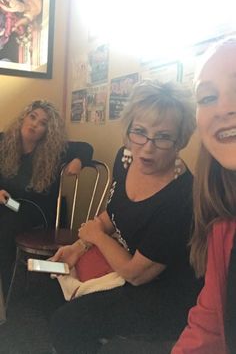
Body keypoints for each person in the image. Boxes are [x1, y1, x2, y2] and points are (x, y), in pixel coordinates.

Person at [50, 80, 202, 354]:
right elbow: (114, 212)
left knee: (68, 323)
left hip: (165, 296)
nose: (147, 147)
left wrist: (94, 235)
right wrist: (79, 246)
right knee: (53, 293)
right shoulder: (125, 158)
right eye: (140, 132)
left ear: (181, 139)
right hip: (129, 270)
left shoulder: (181, 198)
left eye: (163, 137)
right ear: (129, 130)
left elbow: (136, 274)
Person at [170, 37, 236, 354]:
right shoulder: (223, 229)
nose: (224, 107)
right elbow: (208, 327)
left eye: (162, 136)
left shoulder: (176, 193)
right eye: (208, 97)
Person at [0, 99, 93, 298]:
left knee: (4, 226)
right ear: (23, 118)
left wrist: (78, 160)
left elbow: (86, 147)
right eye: (32, 117)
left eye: (42, 123)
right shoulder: (4, 141)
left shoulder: (54, 150)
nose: (34, 124)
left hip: (37, 211)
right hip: (11, 205)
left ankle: (10, 290)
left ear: (47, 131)